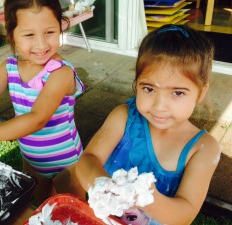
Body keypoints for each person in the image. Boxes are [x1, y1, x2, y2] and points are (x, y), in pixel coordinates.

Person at [75, 24, 221, 225]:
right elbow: (87, 160)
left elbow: (184, 215)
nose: (159, 106)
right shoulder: (123, 117)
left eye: (177, 93)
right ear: (137, 82)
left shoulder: (204, 149)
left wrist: (140, 196)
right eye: (149, 89)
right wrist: (103, 185)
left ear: (201, 92)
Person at [0, 0, 85, 205]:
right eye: (29, 35)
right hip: (30, 156)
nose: (41, 44)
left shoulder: (61, 73)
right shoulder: (9, 66)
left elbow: (36, 119)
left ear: (60, 27)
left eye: (49, 32)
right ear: (12, 34)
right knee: (40, 205)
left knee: (72, 208)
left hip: (65, 161)